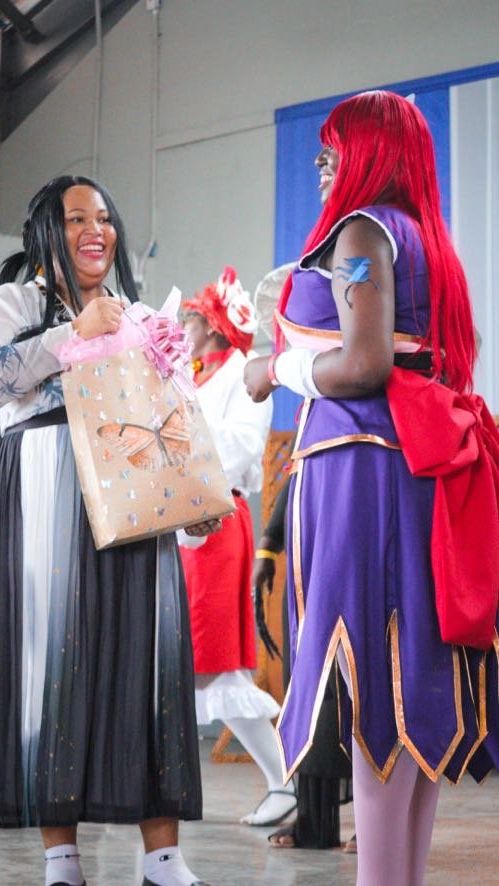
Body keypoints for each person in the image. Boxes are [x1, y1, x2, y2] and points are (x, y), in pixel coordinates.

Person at [244, 91, 499, 886]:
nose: (321, 170)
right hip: (405, 471)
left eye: (332, 153)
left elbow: (362, 364)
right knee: (403, 689)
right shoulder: (425, 240)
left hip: (362, 472)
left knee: (374, 693)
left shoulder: (363, 233)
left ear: (369, 155)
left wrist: (272, 370)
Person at [0, 175, 210, 886]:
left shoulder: (139, 314)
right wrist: (68, 337)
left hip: (131, 508)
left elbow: (169, 416)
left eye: (104, 217)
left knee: (144, 664)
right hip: (39, 501)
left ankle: (163, 857)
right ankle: (61, 857)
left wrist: (196, 500)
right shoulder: (13, 304)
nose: (96, 230)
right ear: (43, 233)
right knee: (50, 663)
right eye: (76, 217)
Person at [178, 267, 297, 828]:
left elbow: (243, 450)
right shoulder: (200, 376)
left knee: (220, 670)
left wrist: (181, 427)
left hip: (216, 522)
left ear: (215, 327)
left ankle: (291, 776)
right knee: (187, 666)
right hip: (184, 522)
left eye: (193, 318)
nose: (184, 326)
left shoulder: (240, 379)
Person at [252, 477, 353, 851]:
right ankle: (314, 819)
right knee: (312, 695)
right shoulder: (314, 418)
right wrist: (267, 547)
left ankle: (376, 825)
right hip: (309, 564)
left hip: (366, 553)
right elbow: (300, 470)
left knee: (364, 694)